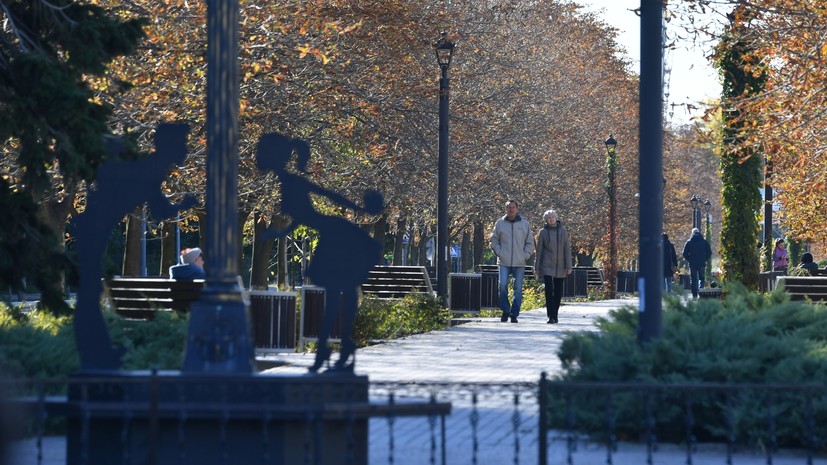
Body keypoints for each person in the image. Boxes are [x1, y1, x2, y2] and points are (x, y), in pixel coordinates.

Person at [490, 200, 535, 323]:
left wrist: (525, 255)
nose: (511, 209)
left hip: (519, 262)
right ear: (506, 209)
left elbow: (530, 243)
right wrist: (499, 252)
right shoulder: (499, 223)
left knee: (518, 289)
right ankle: (505, 310)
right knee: (502, 285)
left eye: (513, 207)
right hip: (504, 261)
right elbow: (493, 240)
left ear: (517, 209)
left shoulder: (524, 224)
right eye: (509, 207)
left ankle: (514, 314)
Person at [534, 210, 572, 324]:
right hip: (547, 265)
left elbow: (567, 249)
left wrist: (568, 265)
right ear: (546, 220)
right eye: (549, 217)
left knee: (558, 291)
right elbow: (539, 250)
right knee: (549, 289)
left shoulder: (562, 231)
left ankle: (554, 314)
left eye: (553, 217)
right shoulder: (543, 232)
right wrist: (537, 267)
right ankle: (551, 315)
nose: (551, 219)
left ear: (556, 218)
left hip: (560, 265)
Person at [682, 227, 712, 299]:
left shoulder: (689, 242)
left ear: (692, 233)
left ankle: (694, 295)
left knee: (693, 279)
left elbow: (684, 253)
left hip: (692, 263)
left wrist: (689, 259)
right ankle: (701, 291)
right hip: (701, 263)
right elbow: (709, 253)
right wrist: (705, 259)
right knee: (702, 278)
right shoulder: (704, 242)